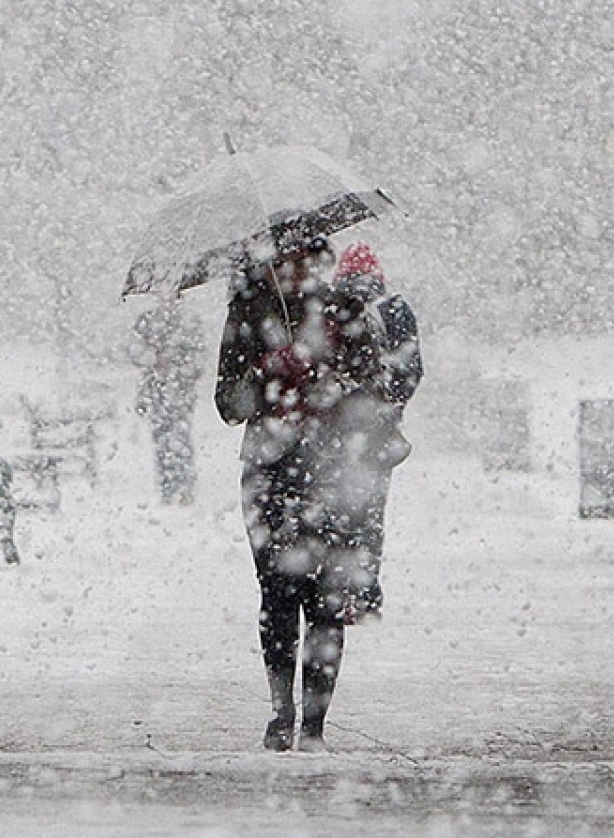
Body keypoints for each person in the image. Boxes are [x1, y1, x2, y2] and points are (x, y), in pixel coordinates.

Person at [215, 236, 422, 752]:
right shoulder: (247, 312)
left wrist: (330, 382)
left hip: (333, 471)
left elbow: (380, 389)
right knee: (279, 597)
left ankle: (315, 724)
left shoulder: (345, 310)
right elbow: (228, 403)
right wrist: (268, 371)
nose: (297, 268)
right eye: (286, 259)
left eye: (307, 258)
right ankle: (282, 713)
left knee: (327, 600)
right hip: (269, 469)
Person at [129, 299, 206, 504]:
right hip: (156, 392)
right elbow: (134, 353)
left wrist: (179, 364)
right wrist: (153, 359)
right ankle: (167, 486)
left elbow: (199, 360)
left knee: (181, 436)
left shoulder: (189, 324)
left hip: (181, 392)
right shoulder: (147, 322)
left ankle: (185, 486)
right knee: (161, 438)